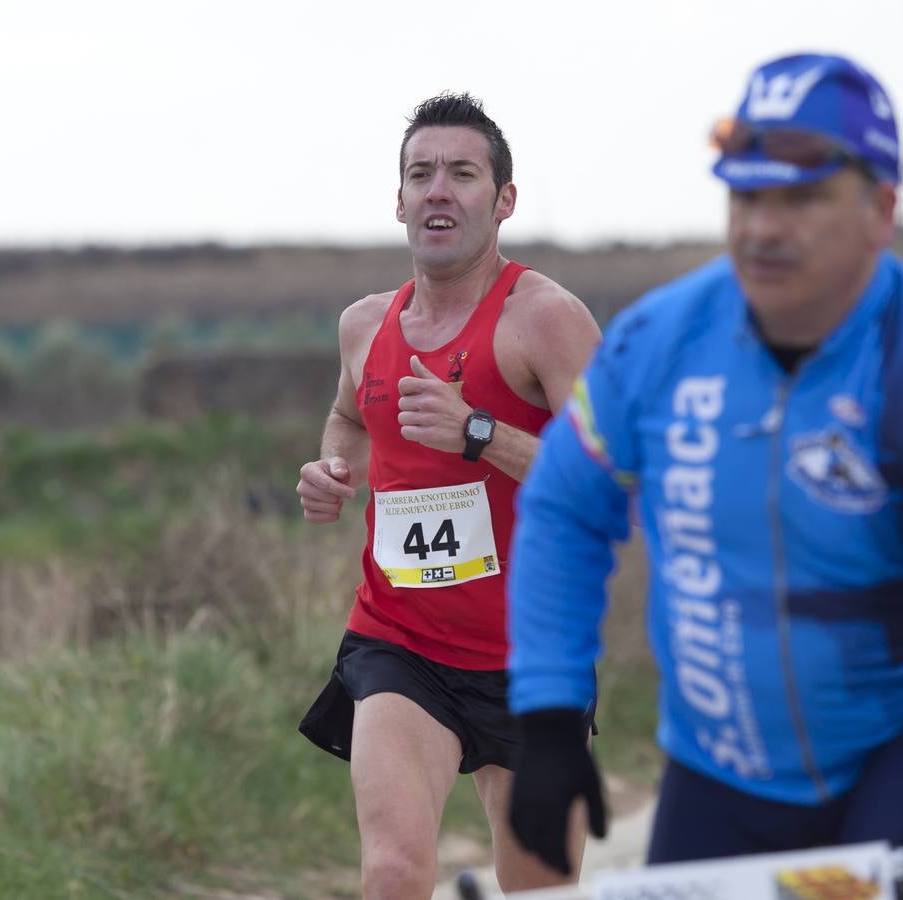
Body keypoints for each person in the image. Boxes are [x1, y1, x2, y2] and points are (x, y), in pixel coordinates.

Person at [505, 53, 903, 900]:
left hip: (897, 749)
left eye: (799, 199)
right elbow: (563, 510)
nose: (761, 228)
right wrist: (545, 719)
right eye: (746, 196)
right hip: (718, 767)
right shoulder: (661, 339)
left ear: (881, 209)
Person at [295, 91, 602, 900]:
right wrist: (333, 471)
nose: (438, 190)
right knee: (393, 873)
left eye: (462, 173)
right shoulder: (364, 325)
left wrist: (478, 434)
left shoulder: (546, 320)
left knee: (538, 887)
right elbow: (344, 419)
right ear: (397, 199)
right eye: (420, 173)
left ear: (502, 200)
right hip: (400, 638)